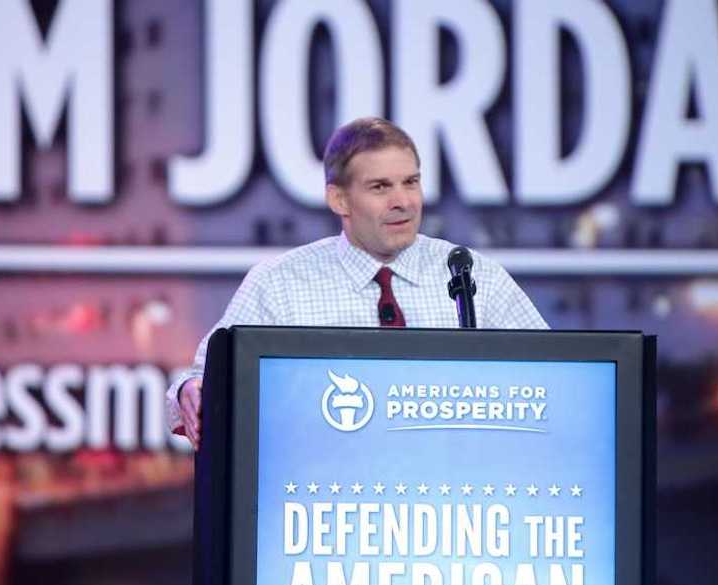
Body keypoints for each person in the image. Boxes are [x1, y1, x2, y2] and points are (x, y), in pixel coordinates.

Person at [167, 117, 547, 448]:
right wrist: (191, 393)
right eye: (380, 187)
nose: (404, 201)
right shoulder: (280, 283)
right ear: (339, 200)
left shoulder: (471, 275)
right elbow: (201, 380)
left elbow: (552, 378)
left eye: (410, 182)